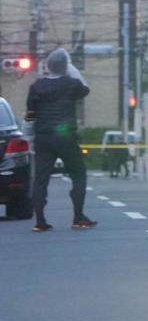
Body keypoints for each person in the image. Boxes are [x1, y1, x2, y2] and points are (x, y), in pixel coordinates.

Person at [26, 48, 96, 232]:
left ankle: (40, 221)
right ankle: (78, 216)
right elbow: (85, 88)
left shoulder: (36, 87)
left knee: (40, 179)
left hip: (43, 136)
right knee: (78, 174)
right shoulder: (71, 84)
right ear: (65, 67)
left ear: (47, 66)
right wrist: (71, 67)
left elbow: (30, 115)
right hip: (65, 135)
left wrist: (30, 137)